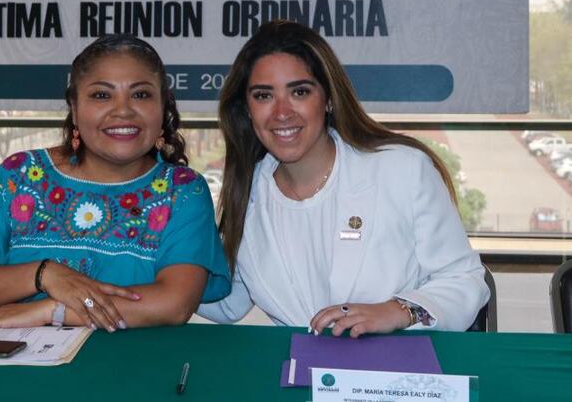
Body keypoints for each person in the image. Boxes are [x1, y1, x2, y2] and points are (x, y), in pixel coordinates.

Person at [197, 20, 488, 335]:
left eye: (299, 92)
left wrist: (397, 311)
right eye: (264, 96)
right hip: (301, 376)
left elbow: (464, 280)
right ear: (247, 110)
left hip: (395, 373)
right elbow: (228, 301)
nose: (282, 112)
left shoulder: (403, 169)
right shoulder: (249, 190)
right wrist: (151, 252)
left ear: (328, 99)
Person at [0, 35, 231, 332]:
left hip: (136, 371)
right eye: (102, 95)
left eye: (140, 95)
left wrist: (53, 310)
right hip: (15, 367)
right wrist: (44, 274)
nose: (123, 110)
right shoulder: (20, 176)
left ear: (163, 106)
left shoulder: (182, 190)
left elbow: (174, 304)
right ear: (74, 109)